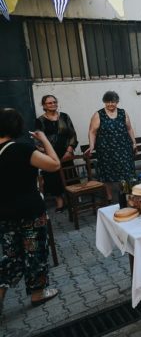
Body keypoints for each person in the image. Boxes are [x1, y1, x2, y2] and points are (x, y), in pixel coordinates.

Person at [0, 108, 61, 313]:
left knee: (12, 256)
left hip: (4, 214)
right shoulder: (21, 149)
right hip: (30, 211)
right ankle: (37, 293)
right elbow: (54, 164)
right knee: (35, 252)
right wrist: (44, 140)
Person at [85, 91, 136, 202]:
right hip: (105, 149)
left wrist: (134, 142)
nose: (110, 104)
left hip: (123, 148)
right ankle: (109, 197)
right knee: (107, 173)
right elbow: (92, 131)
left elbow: (129, 128)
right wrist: (92, 145)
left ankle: (126, 193)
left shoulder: (123, 113)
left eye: (113, 102)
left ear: (117, 102)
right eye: (107, 102)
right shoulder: (99, 114)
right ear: (104, 102)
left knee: (126, 171)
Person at [34, 95, 78, 213]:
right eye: (49, 103)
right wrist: (46, 153)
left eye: (54, 102)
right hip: (50, 155)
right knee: (53, 178)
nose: (53, 104)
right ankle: (60, 201)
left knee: (69, 176)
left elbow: (72, 134)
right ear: (44, 105)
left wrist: (69, 150)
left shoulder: (64, 116)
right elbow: (38, 139)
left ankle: (71, 199)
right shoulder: (40, 121)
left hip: (66, 153)